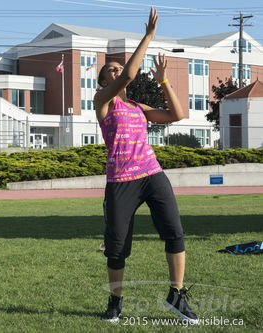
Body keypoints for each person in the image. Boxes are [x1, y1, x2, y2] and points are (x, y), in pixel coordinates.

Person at [93, 8, 198, 324]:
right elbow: (129, 75)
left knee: (175, 232)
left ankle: (176, 295)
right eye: (110, 69)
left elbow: (177, 115)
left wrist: (164, 80)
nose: (117, 71)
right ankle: (115, 302)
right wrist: (149, 35)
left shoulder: (138, 107)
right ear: (103, 81)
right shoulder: (103, 102)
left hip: (152, 174)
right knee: (117, 247)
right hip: (121, 181)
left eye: (117, 67)